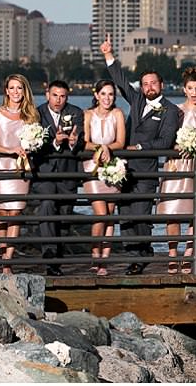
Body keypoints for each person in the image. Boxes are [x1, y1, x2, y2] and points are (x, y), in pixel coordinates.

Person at [100, 33, 181, 275]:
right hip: (124, 170)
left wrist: (140, 148)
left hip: (146, 171)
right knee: (124, 216)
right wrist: (108, 55)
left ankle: (143, 254)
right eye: (145, 84)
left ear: (161, 85)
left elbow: (166, 140)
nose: (149, 87)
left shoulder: (170, 110)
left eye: (153, 83)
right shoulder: (135, 100)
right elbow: (121, 80)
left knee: (140, 215)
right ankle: (133, 255)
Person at [157, 67, 196, 274]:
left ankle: (189, 255)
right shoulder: (175, 111)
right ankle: (172, 254)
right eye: (190, 88)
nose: (194, 92)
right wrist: (179, 147)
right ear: (184, 89)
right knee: (173, 212)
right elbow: (166, 139)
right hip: (177, 164)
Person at [0, 74, 40, 274]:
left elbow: (36, 142)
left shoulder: (31, 115)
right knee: (1, 213)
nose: (16, 92)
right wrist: (9, 150)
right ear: (6, 91)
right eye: (12, 88)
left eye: (20, 88)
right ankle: (3, 253)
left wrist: (30, 148)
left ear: (25, 91)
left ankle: (8, 260)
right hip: (0, 166)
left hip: (21, 169)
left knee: (15, 212)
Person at [34, 80, 85, 276]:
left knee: (64, 216)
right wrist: (54, 142)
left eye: (62, 96)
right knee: (47, 205)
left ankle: (57, 261)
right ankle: (49, 255)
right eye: (55, 95)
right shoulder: (37, 113)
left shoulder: (77, 112)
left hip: (67, 172)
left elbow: (80, 139)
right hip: (45, 172)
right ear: (47, 94)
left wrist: (73, 142)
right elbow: (34, 142)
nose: (58, 100)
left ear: (67, 97)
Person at [81, 79, 126, 276]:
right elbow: (84, 142)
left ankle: (105, 260)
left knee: (110, 213)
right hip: (93, 166)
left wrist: (109, 147)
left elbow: (121, 142)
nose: (107, 98)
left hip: (113, 165)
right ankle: (95, 255)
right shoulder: (87, 114)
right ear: (96, 95)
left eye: (111, 94)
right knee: (100, 213)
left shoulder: (118, 114)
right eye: (104, 94)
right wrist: (100, 148)